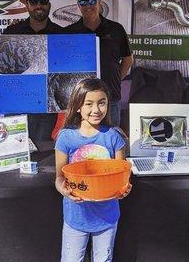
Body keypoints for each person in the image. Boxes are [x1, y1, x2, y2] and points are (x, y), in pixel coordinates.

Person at [55, 78, 132, 262]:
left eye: (102, 103)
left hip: (106, 218)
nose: (96, 110)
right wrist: (63, 189)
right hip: (76, 218)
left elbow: (121, 178)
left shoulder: (114, 137)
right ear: (78, 106)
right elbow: (59, 178)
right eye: (89, 103)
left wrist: (124, 189)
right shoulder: (66, 138)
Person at [0, 0, 63, 141]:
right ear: (27, 5)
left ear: (48, 5)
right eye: (34, 1)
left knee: (42, 148)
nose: (38, 5)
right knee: (17, 145)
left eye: (42, 1)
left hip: (46, 105)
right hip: (17, 103)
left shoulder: (61, 33)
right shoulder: (12, 31)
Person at [65, 0, 134, 126]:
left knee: (111, 142)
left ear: (99, 1)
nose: (88, 5)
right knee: (84, 145)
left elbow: (128, 59)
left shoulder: (116, 29)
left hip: (110, 98)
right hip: (82, 102)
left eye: (92, 1)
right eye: (83, 2)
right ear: (78, 5)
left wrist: (115, 80)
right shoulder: (70, 32)